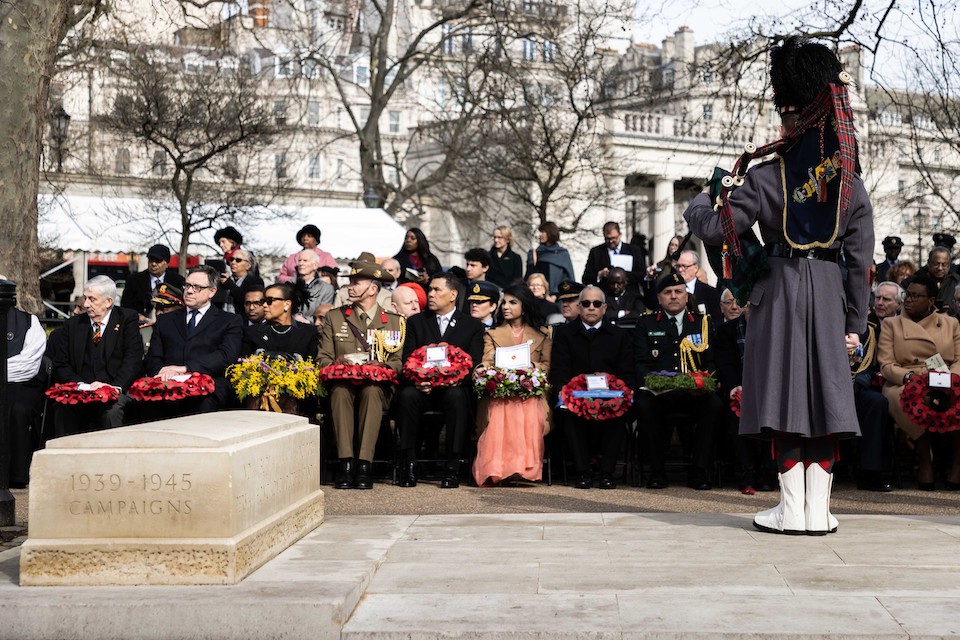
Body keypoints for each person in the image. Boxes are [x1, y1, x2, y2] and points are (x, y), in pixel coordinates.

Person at [684, 36, 874, 535]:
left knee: (787, 400)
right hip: (832, 295)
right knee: (826, 400)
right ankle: (817, 512)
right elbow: (860, 260)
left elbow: (714, 226)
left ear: (795, 119)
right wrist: (855, 321)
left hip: (781, 290)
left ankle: (791, 510)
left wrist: (704, 196)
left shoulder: (768, 176)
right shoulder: (850, 179)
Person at [318, 262, 405, 490]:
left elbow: (397, 363)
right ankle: (345, 464)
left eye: (357, 283)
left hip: (377, 387)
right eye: (350, 282)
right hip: (343, 383)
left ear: (373, 289)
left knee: (372, 391)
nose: (351, 287)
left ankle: (364, 464)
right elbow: (323, 358)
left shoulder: (393, 321)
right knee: (339, 392)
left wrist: (381, 366)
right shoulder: (335, 317)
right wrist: (336, 365)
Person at [395, 272, 484, 488]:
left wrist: (454, 380)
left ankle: (452, 466)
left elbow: (474, 362)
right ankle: (409, 463)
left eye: (437, 290)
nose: (431, 294)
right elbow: (408, 358)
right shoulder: (417, 322)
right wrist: (417, 380)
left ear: (453, 294)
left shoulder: (471, 325)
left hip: (453, 388)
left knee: (457, 397)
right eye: (430, 289)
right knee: (407, 395)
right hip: (422, 389)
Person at [634, 272, 722, 490]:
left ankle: (699, 471)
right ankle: (656, 471)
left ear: (686, 295)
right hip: (659, 394)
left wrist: (706, 380)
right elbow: (640, 363)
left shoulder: (702, 323)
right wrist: (654, 383)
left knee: (714, 405)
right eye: (667, 292)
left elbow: (710, 362)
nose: (673, 296)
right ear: (659, 298)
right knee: (644, 405)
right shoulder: (646, 323)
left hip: (694, 393)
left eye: (678, 291)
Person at [878, 275, 960, 490]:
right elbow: (886, 364)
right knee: (914, 398)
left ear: (931, 300)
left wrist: (950, 379)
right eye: (907, 295)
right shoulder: (892, 324)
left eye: (916, 296)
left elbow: (959, 359)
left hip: (946, 376)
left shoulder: (951, 323)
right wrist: (910, 378)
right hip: (905, 379)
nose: (909, 300)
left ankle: (956, 466)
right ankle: (925, 461)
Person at [550, 285, 634, 489]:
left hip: (610, 397)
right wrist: (564, 392)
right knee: (570, 414)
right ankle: (583, 472)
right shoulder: (564, 333)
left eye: (597, 304)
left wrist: (621, 393)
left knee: (618, 413)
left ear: (604, 308)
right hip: (576, 397)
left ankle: (607, 473)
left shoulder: (618, 335)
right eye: (586, 303)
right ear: (579, 307)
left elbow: (626, 371)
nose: (591, 308)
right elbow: (560, 369)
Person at [473, 283, 552, 486]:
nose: (506, 306)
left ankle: (523, 468)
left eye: (512, 302)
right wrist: (486, 372)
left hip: (531, 393)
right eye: (504, 302)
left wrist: (527, 368)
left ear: (524, 306)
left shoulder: (543, 334)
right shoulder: (492, 334)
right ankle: (497, 468)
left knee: (529, 407)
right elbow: (487, 362)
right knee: (499, 408)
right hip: (500, 392)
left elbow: (546, 366)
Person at [144, 265, 243, 415]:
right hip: (167, 385)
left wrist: (185, 369)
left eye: (197, 287)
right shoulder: (165, 320)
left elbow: (226, 356)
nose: (189, 291)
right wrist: (162, 372)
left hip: (208, 388)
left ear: (212, 291)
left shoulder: (229, 321)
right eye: (188, 285)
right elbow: (153, 357)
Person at [51, 276, 143, 437]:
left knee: (112, 412)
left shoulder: (126, 320)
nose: (86, 304)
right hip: (81, 391)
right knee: (63, 408)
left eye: (92, 299)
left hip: (115, 391)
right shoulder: (73, 325)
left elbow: (133, 360)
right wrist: (80, 385)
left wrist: (114, 388)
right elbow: (61, 363)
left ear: (108, 302)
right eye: (85, 298)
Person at [2, 284, 46, 487]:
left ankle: (16, 475)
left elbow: (28, 363)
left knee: (18, 409)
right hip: (10, 378)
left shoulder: (29, 322)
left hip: (20, 384)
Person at [242, 282, 319, 360]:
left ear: (287, 304)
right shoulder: (252, 332)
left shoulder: (308, 333)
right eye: (263, 301)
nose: (264, 305)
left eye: (270, 301)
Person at [120, 244, 185, 323]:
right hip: (140, 325)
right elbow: (125, 306)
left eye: (158, 261)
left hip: (170, 324)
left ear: (167, 263)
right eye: (151, 260)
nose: (153, 264)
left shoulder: (177, 281)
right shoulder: (133, 280)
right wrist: (137, 316)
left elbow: (181, 306)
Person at [582, 222, 645, 287]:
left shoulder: (633, 250)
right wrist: (600, 274)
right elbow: (586, 278)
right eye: (607, 239)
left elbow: (642, 275)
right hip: (605, 293)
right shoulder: (596, 252)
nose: (611, 241)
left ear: (620, 235)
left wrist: (622, 274)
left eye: (613, 238)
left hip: (629, 293)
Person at [670, 250, 721, 323]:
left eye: (684, 266)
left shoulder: (710, 292)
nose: (680, 270)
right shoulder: (670, 290)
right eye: (678, 266)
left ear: (696, 268)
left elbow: (716, 320)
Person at [526, 221, 575, 296]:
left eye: (543, 232)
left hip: (557, 299)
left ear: (551, 233)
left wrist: (555, 296)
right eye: (540, 232)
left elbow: (568, 280)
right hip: (537, 297)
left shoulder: (562, 254)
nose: (540, 235)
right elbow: (529, 277)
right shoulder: (534, 253)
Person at [911, 247, 960, 314]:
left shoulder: (957, 282)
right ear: (928, 263)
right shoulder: (915, 281)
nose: (940, 268)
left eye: (944, 265)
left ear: (949, 265)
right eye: (936, 264)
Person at [220, 249, 264, 315]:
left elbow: (247, 301)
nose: (233, 262)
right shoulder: (225, 280)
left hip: (243, 319)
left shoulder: (255, 281)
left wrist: (230, 285)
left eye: (238, 260)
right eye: (232, 259)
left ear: (248, 266)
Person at [296, 249, 336, 320]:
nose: (301, 263)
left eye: (305, 261)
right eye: (299, 260)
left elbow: (323, 314)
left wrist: (306, 320)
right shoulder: (288, 286)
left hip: (312, 328)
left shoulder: (326, 289)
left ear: (315, 265)